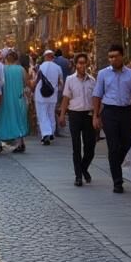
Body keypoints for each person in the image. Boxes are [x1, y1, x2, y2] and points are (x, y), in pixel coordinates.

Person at [92, 44, 131, 193]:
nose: (112, 59)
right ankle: (117, 181)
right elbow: (97, 95)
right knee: (113, 146)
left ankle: (115, 164)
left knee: (127, 143)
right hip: (109, 112)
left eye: (115, 56)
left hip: (126, 111)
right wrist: (95, 115)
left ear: (122, 56)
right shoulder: (103, 74)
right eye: (110, 57)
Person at [58, 53, 97, 186]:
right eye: (79, 63)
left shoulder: (92, 80)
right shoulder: (70, 79)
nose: (82, 65)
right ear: (75, 65)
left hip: (88, 115)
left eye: (84, 63)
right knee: (76, 146)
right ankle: (78, 176)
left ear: (87, 64)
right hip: (74, 115)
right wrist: (62, 115)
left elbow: (96, 100)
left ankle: (84, 167)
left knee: (90, 147)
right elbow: (66, 99)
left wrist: (97, 115)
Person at [0, 50, 29, 153]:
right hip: (18, 97)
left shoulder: (2, 69)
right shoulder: (21, 69)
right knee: (19, 119)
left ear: (6, 59)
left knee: (4, 118)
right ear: (16, 59)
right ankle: (20, 143)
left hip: (5, 99)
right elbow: (26, 83)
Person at [33, 51, 64, 145]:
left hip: (41, 94)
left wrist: (32, 87)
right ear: (52, 57)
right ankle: (51, 131)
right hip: (52, 94)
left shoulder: (40, 66)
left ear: (45, 56)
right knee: (50, 113)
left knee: (42, 114)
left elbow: (36, 80)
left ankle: (46, 133)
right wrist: (58, 90)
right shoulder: (58, 68)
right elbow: (61, 82)